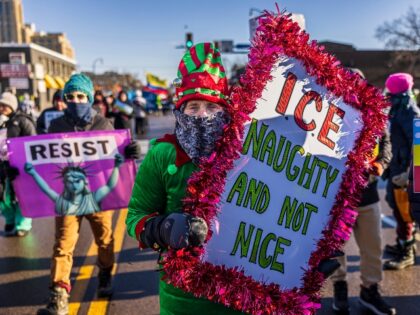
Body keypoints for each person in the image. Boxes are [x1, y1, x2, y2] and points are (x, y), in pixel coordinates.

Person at [126, 43, 340, 315]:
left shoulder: (252, 151)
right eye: (193, 107)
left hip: (246, 293)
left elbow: (281, 208)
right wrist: (162, 228)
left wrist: (308, 253)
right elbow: (136, 215)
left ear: (224, 111)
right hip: (183, 297)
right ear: (180, 112)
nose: (202, 114)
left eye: (210, 107)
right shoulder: (162, 154)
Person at [37, 74, 141, 315]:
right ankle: (59, 294)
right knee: (63, 245)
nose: (76, 100)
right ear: (64, 99)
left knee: (104, 240)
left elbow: (114, 157)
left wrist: (129, 151)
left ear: (89, 98)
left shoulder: (103, 125)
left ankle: (105, 273)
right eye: (71, 96)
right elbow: (43, 161)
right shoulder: (56, 126)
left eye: (81, 96)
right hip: (68, 198)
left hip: (97, 198)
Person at [331, 69, 395, 314]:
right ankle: (339, 288)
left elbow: (385, 144)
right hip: (337, 198)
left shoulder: (374, 116)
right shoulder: (329, 114)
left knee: (373, 247)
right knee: (335, 248)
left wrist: (380, 164)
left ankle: (370, 291)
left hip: (367, 195)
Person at [383, 73, 419, 270]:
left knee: (405, 213)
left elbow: (419, 146)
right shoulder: (398, 109)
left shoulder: (409, 112)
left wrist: (410, 175)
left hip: (406, 173)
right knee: (398, 210)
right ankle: (402, 244)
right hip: (397, 169)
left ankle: (407, 253)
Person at [25, 154, 123, 215]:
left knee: (104, 239)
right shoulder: (62, 201)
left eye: (77, 181)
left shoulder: (92, 198)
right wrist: (33, 173)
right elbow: (47, 190)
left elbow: (109, 186)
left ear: (85, 182)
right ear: (64, 183)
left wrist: (117, 166)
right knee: (64, 242)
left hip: (96, 213)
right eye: (70, 182)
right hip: (67, 215)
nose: (74, 185)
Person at [0, 92, 36, 237]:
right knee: (3, 196)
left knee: (22, 196)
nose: (2, 108)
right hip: (2, 166)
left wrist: (24, 163)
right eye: (0, 105)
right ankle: (9, 220)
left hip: (18, 166)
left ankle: (23, 224)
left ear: (12, 106)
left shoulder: (23, 121)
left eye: (5, 105)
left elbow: (32, 142)